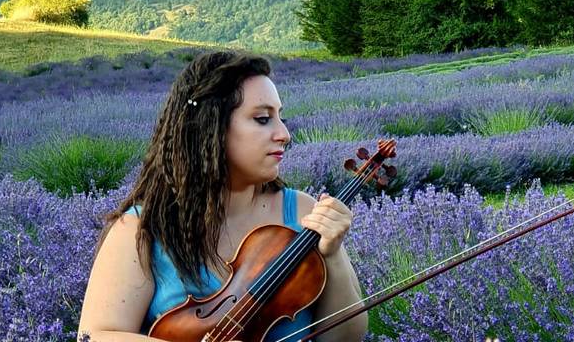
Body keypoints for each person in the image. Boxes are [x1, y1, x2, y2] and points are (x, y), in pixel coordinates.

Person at [78, 51, 368, 341]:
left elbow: (346, 337)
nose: (284, 134)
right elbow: (95, 335)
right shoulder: (141, 230)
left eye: (281, 117)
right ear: (210, 127)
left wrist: (331, 255)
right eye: (263, 119)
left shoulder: (302, 212)